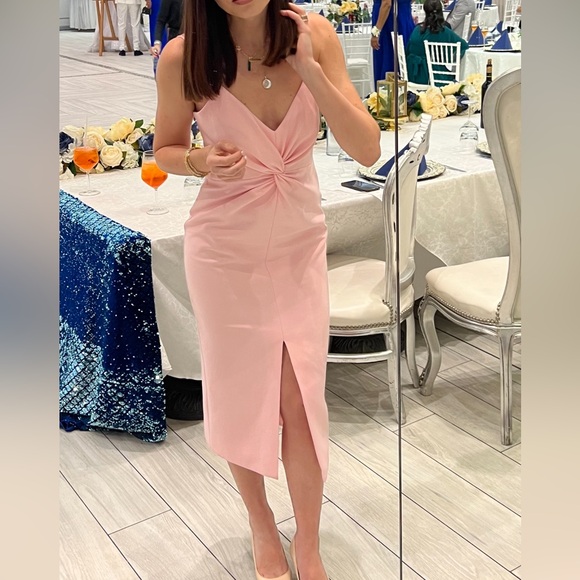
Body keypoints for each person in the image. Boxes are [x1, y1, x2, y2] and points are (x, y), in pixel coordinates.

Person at [153, 1, 380, 578]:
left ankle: (309, 539)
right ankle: (259, 522)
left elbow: (367, 149)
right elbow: (165, 149)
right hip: (224, 250)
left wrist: (309, 70)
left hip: (298, 243)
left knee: (300, 397)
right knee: (240, 395)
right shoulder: (185, 55)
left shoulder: (315, 35)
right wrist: (202, 159)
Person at [406, 0, 469, 86]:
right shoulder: (445, 32)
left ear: (425, 11)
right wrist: (449, 59)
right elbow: (464, 46)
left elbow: (408, 51)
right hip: (438, 79)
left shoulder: (416, 30)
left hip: (414, 76)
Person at [371, 0, 416, 85]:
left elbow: (386, 4)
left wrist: (376, 31)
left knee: (388, 63)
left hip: (388, 24)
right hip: (404, 17)